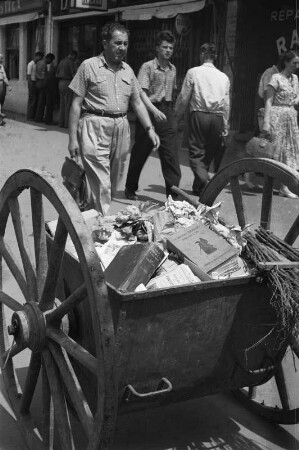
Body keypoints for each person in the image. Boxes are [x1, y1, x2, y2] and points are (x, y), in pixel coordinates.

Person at [68, 22, 160, 216]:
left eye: (125, 43)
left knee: (109, 181)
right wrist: (72, 139)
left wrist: (150, 129)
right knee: (102, 183)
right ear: (105, 43)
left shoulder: (128, 70)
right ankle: (101, 225)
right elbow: (76, 104)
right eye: (118, 43)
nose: (122, 48)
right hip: (94, 125)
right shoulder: (89, 66)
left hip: (121, 128)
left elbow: (137, 103)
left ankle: (86, 207)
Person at [125, 30, 181, 201]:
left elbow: (173, 92)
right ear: (157, 48)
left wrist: (171, 115)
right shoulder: (147, 67)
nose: (168, 50)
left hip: (167, 112)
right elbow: (141, 93)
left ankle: (173, 198)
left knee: (171, 155)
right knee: (140, 152)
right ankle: (130, 187)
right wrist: (155, 111)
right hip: (149, 112)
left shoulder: (173, 69)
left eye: (171, 47)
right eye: (165, 47)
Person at [175, 43, 230, 198]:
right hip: (217, 118)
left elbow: (184, 97)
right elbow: (227, 103)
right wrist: (226, 123)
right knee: (208, 153)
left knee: (196, 154)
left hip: (199, 115)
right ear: (215, 57)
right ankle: (199, 188)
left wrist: (176, 116)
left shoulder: (193, 72)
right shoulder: (224, 77)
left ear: (201, 55)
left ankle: (206, 182)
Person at [262, 50, 299, 199]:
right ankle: (253, 175)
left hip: (291, 118)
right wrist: (266, 121)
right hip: (277, 117)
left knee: (289, 151)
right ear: (285, 62)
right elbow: (268, 100)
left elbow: (296, 98)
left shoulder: (295, 78)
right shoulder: (275, 78)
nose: (297, 65)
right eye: (294, 62)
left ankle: (284, 187)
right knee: (274, 150)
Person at [56, 50, 78, 128]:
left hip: (60, 83)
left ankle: (61, 122)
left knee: (62, 104)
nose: (75, 58)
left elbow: (57, 73)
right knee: (68, 104)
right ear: (72, 55)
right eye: (75, 57)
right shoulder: (70, 62)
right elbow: (73, 75)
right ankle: (66, 123)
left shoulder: (62, 61)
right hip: (68, 82)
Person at [27, 51, 44, 120]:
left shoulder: (36, 64)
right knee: (32, 99)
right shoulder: (30, 64)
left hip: (35, 82)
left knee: (35, 99)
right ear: (37, 56)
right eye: (40, 57)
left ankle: (33, 115)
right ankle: (30, 116)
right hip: (32, 82)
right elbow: (28, 75)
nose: (41, 59)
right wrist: (31, 85)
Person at [44, 53, 57, 125]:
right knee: (49, 104)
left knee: (48, 104)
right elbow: (50, 78)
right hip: (49, 87)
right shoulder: (49, 66)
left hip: (47, 87)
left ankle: (47, 119)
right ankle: (48, 120)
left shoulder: (48, 66)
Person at [0, 53, 11, 123]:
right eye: (0, 58)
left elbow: (5, 77)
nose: (2, 59)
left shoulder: (2, 67)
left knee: (1, 100)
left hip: (2, 85)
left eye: (2, 58)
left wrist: (8, 85)